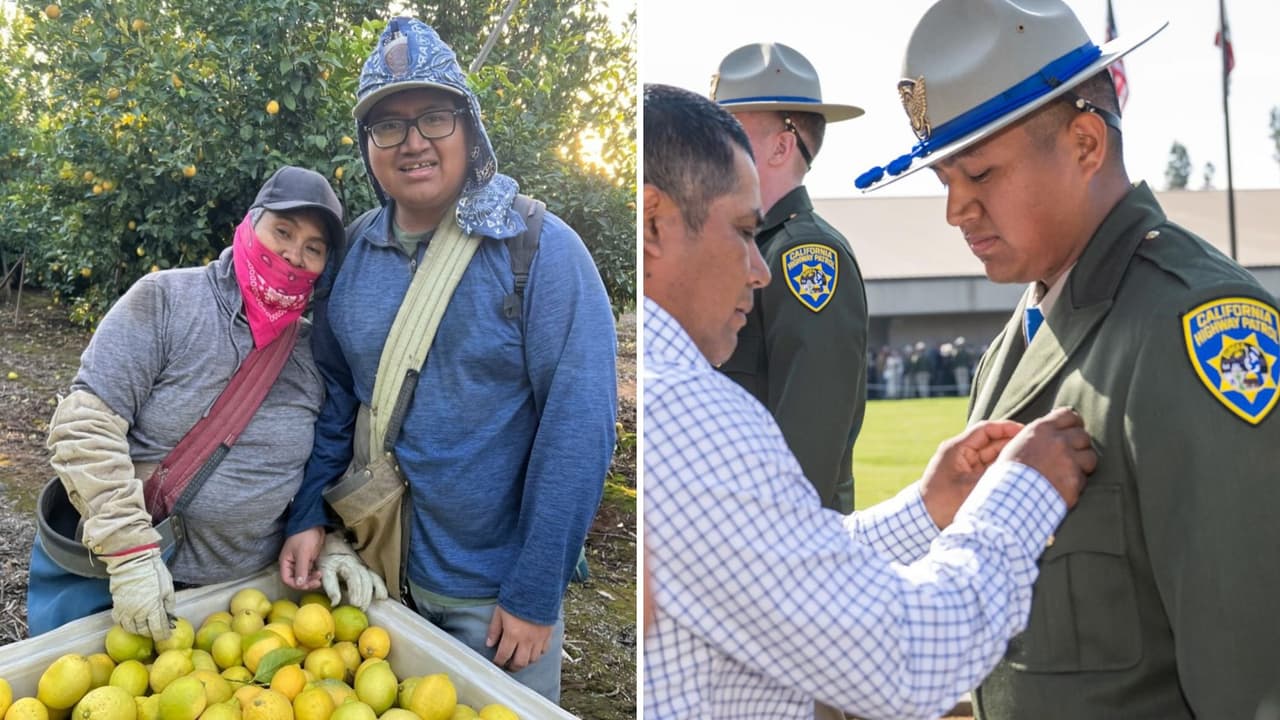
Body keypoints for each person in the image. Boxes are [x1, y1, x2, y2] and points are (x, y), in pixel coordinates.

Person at [857, 0, 1280, 717]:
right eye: (944, 182)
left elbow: (1249, 679)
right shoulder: (1013, 345)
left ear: (1086, 144)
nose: (956, 210)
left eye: (981, 174)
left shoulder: (1196, 330)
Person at [643, 82, 1098, 720]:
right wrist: (1020, 497)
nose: (760, 269)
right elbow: (904, 659)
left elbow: (767, 552)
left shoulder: (669, 392)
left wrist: (927, 508)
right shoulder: (694, 415)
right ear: (653, 223)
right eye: (743, 233)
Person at [279, 17, 617, 702]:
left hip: (494, 597)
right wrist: (308, 514)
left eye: (433, 117)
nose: (413, 143)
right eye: (388, 126)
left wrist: (533, 591)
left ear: (469, 128)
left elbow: (579, 427)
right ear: (366, 146)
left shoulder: (538, 251)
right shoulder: (350, 257)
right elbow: (337, 401)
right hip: (378, 571)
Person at [29, 166, 384, 639]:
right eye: (282, 231)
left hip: (247, 607)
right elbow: (84, 425)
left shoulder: (313, 351)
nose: (292, 255)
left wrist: (328, 538)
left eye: (313, 249)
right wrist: (129, 553)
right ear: (249, 223)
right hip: (130, 587)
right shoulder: (166, 300)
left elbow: (322, 463)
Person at [711, 43, 867, 516]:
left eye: (728, 135)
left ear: (782, 145)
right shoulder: (742, 249)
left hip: (780, 567)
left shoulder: (805, 258)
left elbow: (804, 461)